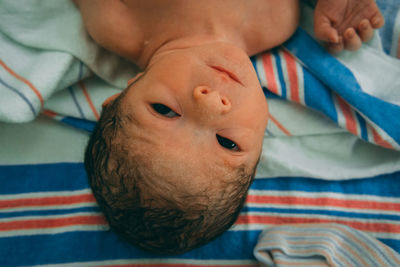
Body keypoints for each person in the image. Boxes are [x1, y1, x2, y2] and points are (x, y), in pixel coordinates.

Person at [76, 0, 384, 254]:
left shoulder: (118, 23)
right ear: (261, 144)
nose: (212, 105)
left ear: (120, 97)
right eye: (227, 143)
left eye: (164, 111)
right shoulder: (276, 21)